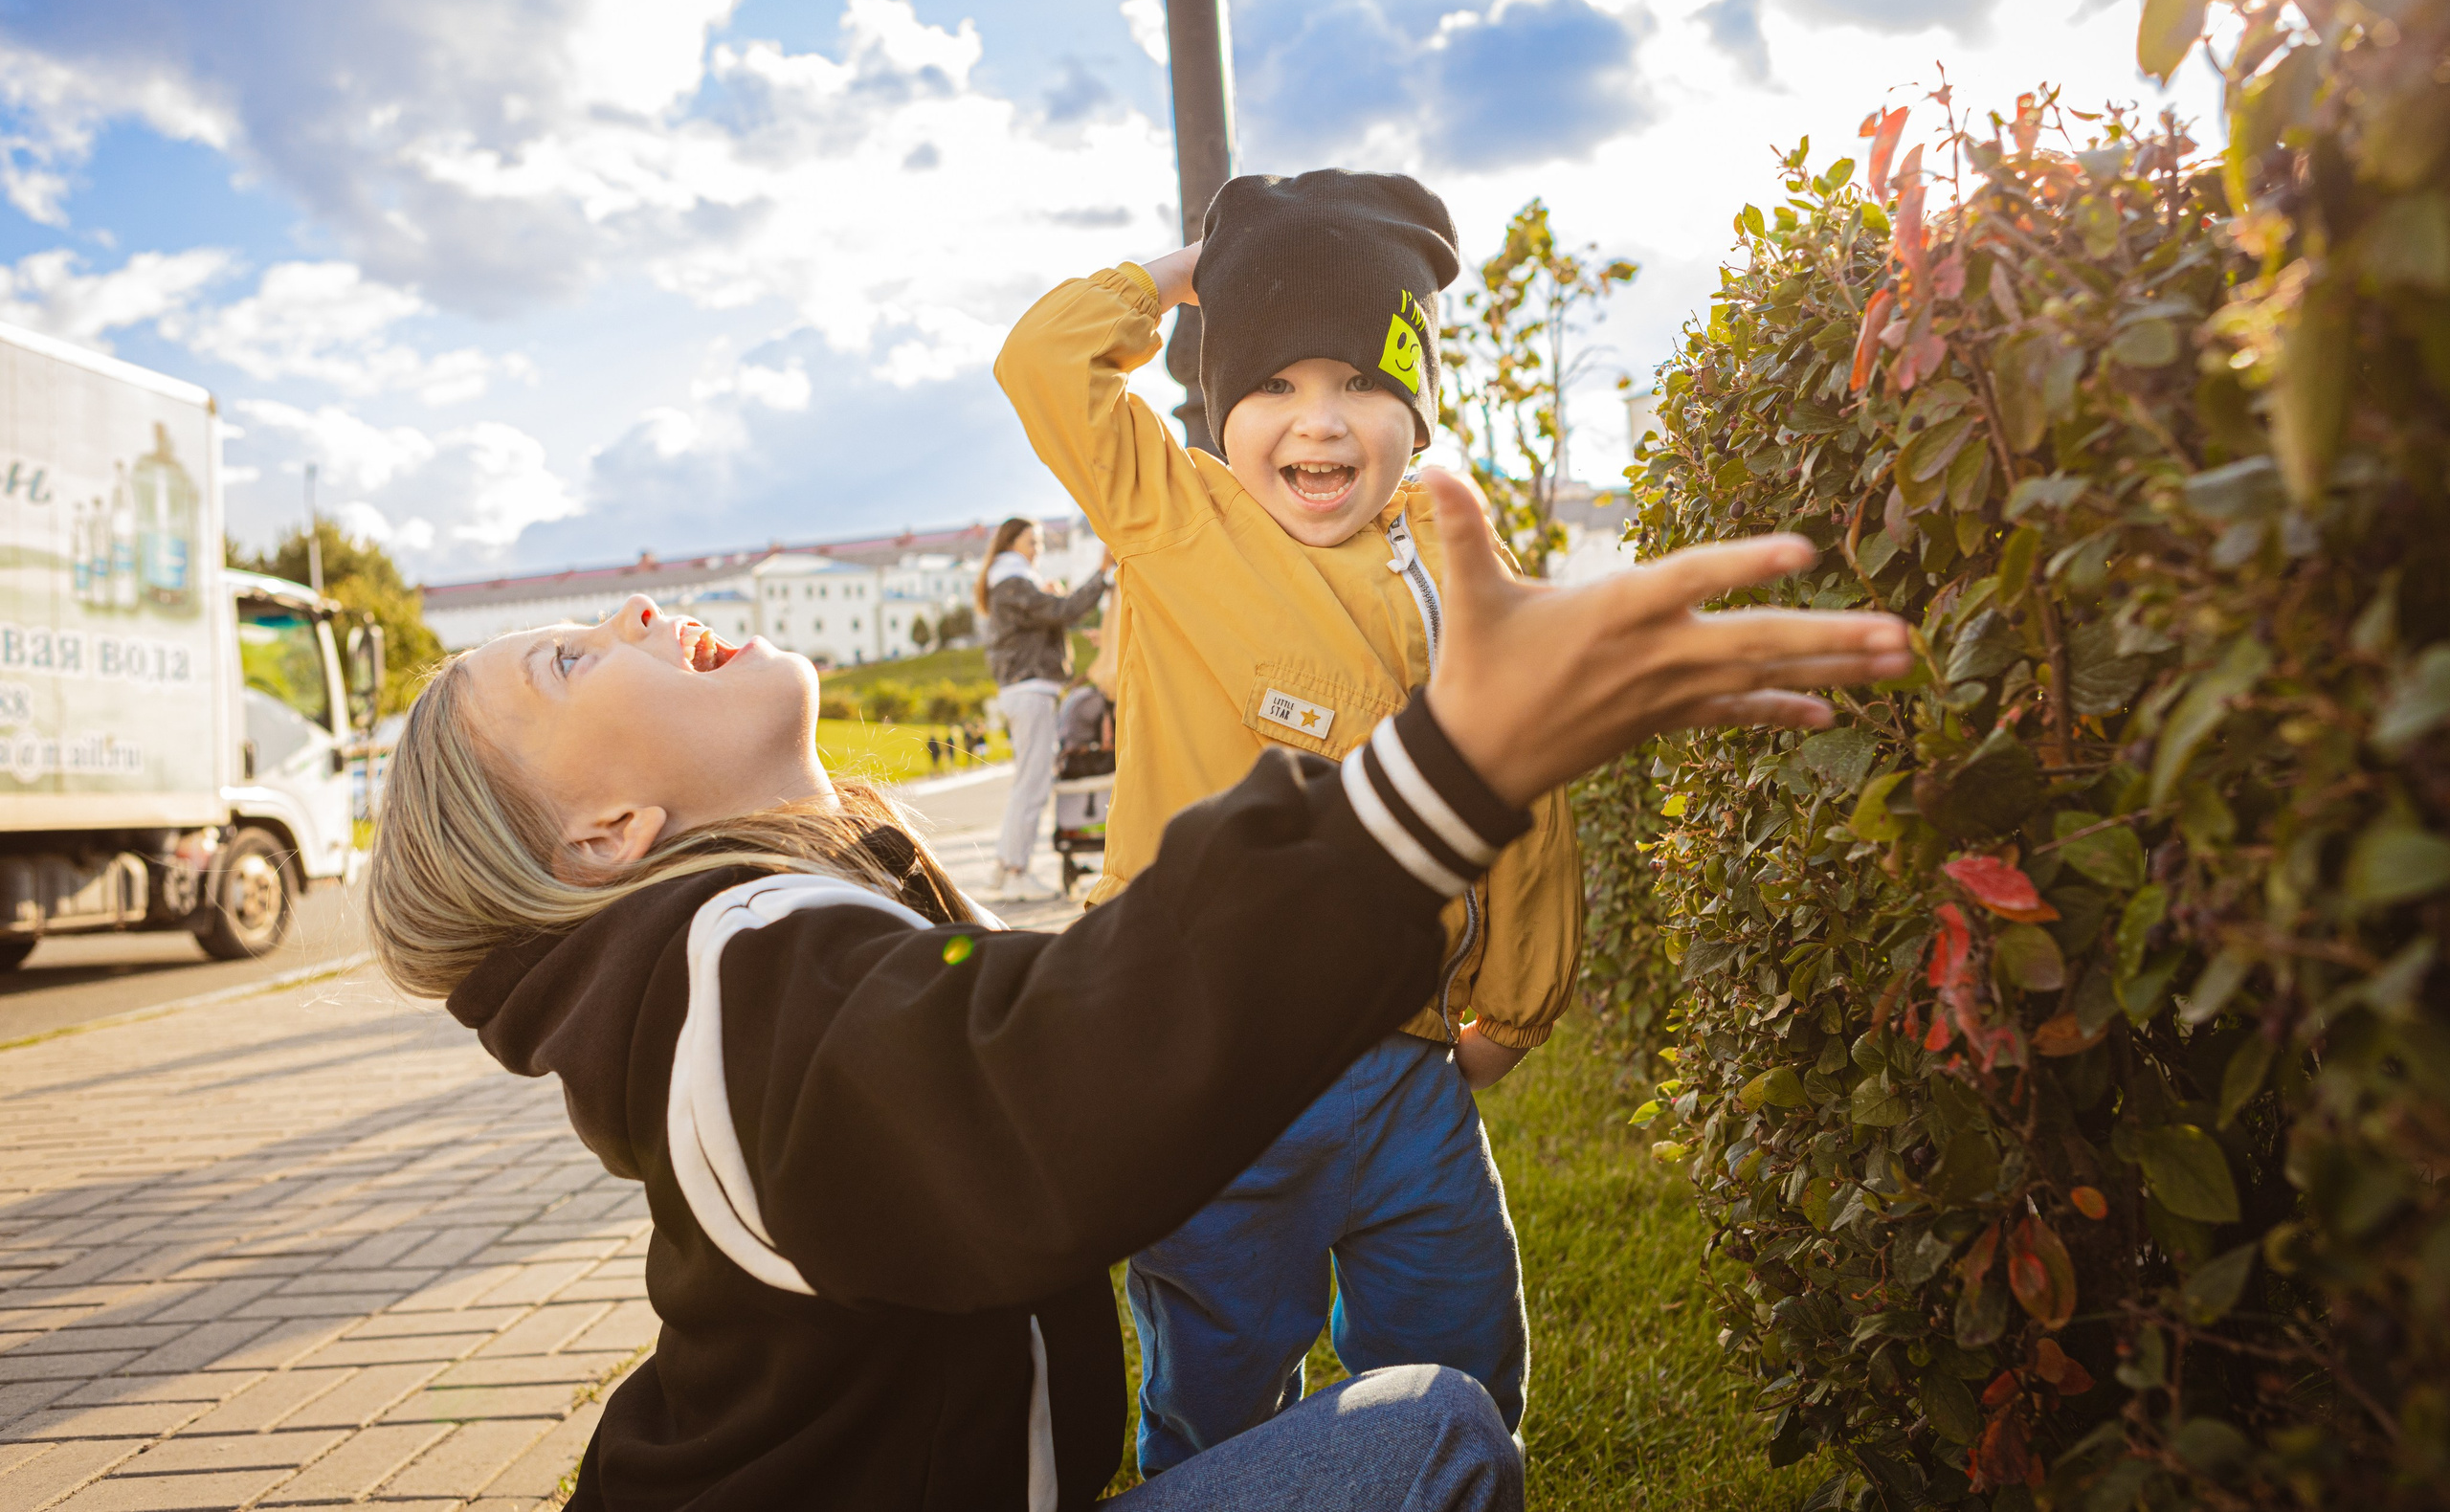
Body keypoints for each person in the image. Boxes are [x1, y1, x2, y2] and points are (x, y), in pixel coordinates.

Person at [362, 465, 1910, 1512]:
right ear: (605, 837)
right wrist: (1437, 773)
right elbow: (1033, 1088)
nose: (635, 613)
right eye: (565, 663)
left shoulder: (763, 946)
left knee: (1425, 1423)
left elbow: (1072, 1028)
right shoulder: (730, 972)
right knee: (1425, 1433)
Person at [996, 169, 1575, 1470]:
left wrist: (1510, 1010)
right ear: (1217, 406)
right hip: (1211, 1071)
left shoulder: (1451, 558)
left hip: (1405, 1068)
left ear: (1417, 410)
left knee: (1465, 1349)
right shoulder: (1174, 515)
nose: (1317, 422)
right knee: (1217, 1379)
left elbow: (1528, 793)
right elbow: (1042, 359)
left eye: (1361, 380)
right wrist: (1184, 275)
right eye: (1271, 383)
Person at [979, 517, 1108, 899]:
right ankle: (1017, 872)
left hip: (1026, 689)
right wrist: (1101, 573)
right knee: (1033, 784)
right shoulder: (1013, 581)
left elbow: (1051, 613)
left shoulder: (1012, 581)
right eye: (1031, 541)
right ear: (1010, 543)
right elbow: (1064, 610)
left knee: (1027, 781)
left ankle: (1005, 866)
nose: (1038, 548)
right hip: (1030, 689)